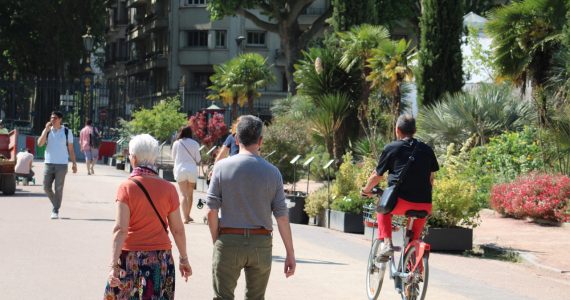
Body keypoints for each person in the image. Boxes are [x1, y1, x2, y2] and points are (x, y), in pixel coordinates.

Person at [206, 115, 296, 300]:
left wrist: (218, 240)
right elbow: (282, 217)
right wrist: (290, 253)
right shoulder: (273, 172)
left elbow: (211, 210)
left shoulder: (221, 168)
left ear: (236, 139)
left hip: (229, 238)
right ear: (260, 141)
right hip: (261, 242)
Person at [104, 134, 192, 299]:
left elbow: (120, 229)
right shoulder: (169, 188)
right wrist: (184, 259)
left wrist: (113, 264)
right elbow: (177, 229)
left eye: (130, 155)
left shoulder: (127, 187)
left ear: (134, 159)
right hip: (161, 259)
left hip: (131, 257)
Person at [361, 114, 439, 259]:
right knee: (413, 239)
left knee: (382, 208)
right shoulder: (427, 150)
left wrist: (365, 190)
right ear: (415, 130)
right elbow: (431, 179)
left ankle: (387, 243)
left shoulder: (392, 148)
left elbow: (377, 176)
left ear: (397, 130)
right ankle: (415, 274)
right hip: (424, 205)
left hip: (400, 203)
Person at [37, 111, 77, 219]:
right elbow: (40, 144)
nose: (52, 120)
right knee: (46, 187)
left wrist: (74, 163)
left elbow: (71, 149)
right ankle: (56, 204)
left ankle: (55, 210)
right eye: (51, 118)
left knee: (59, 188)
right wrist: (46, 130)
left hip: (62, 164)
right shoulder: (48, 131)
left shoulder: (67, 132)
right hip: (48, 163)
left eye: (54, 118)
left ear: (60, 119)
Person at [171, 126, 201, 223]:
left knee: (183, 195)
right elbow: (198, 159)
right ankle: (187, 216)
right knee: (190, 194)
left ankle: (185, 218)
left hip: (180, 170)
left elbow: (173, 157)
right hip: (192, 170)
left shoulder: (176, 143)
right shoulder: (195, 143)